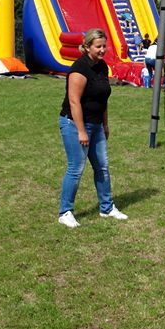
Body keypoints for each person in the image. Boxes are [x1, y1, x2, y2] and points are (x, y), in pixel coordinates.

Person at [57, 28, 128, 228]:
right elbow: (74, 101)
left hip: (96, 125)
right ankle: (65, 212)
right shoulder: (79, 69)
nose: (103, 50)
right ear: (87, 47)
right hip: (74, 123)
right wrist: (81, 131)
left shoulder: (102, 66)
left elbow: (103, 98)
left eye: (104, 46)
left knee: (102, 166)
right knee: (76, 168)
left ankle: (107, 208)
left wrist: (105, 124)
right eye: (98, 46)